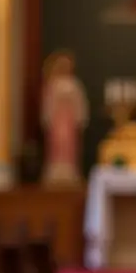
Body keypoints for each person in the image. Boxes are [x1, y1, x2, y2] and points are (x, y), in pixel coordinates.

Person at [40, 51, 88, 185]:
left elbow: (80, 103)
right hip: (57, 122)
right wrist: (48, 120)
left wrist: (80, 119)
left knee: (70, 147)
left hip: (70, 122)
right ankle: (55, 175)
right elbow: (48, 104)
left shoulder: (74, 84)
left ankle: (70, 174)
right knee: (57, 146)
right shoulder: (53, 84)